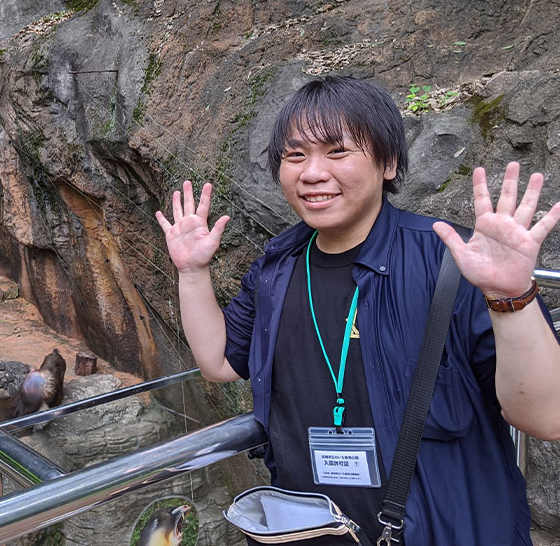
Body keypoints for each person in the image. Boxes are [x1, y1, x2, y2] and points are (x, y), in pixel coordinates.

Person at [155, 76, 560, 545]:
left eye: (337, 152)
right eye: (295, 155)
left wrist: (511, 297)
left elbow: (546, 419)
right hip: (308, 531)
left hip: (444, 529)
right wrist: (191, 273)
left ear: (388, 162)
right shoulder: (279, 264)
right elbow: (219, 362)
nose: (312, 172)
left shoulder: (452, 261)